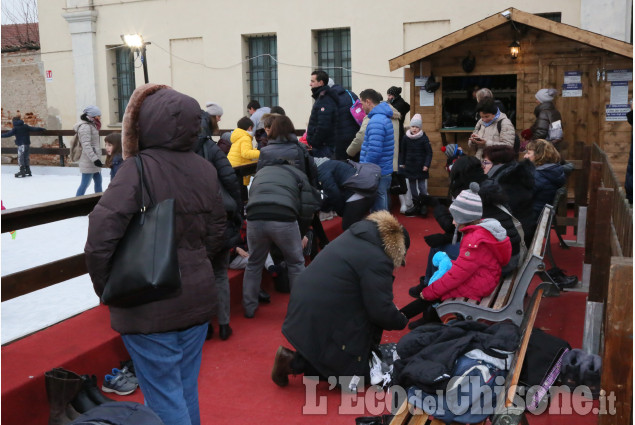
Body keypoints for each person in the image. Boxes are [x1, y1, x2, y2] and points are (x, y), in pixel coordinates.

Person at [84, 83, 227, 425]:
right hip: (195, 295)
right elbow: (217, 229)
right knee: (184, 387)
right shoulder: (203, 167)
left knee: (163, 394)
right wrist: (195, 263)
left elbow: (102, 233)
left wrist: (109, 288)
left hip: (148, 301)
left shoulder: (138, 168)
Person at [272, 211, 409, 389]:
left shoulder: (359, 236)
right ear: (397, 250)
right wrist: (401, 320)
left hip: (308, 300)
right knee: (353, 377)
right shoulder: (378, 258)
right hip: (321, 308)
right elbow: (380, 309)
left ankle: (297, 360)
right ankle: (292, 363)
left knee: (349, 343)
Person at [400, 183, 511, 327]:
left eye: (455, 218)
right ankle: (410, 315)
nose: (452, 222)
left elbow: (457, 276)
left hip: (481, 284)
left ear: (464, 219)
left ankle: (404, 317)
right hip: (487, 277)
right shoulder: (483, 229)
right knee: (439, 286)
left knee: (438, 292)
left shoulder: (474, 241)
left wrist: (429, 292)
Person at [242, 159, 317, 319]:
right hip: (283, 217)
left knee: (254, 262)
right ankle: (299, 310)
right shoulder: (298, 174)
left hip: (255, 216)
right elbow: (307, 207)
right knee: (296, 263)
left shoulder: (260, 173)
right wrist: (302, 232)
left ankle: (249, 307)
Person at [194, 108, 242, 342]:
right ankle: (223, 324)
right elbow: (230, 179)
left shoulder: (176, 152)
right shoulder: (212, 149)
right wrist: (237, 210)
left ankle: (204, 326)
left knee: (197, 277)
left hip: (191, 221)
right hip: (218, 216)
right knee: (220, 274)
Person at [482, 145, 535, 245]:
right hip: (517, 230)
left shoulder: (509, 183)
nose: (483, 166)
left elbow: (499, 212)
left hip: (513, 237)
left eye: (486, 162)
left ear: (499, 164)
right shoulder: (515, 176)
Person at [359, 89, 395, 212]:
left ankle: (382, 229)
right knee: (382, 199)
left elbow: (374, 150)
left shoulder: (376, 121)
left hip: (376, 170)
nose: (362, 107)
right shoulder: (381, 118)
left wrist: (365, 168)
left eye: (362, 103)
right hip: (382, 168)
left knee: (379, 206)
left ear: (368, 102)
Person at [315, 157, 376, 230]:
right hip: (367, 187)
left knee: (349, 228)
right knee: (357, 223)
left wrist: (341, 211)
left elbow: (334, 194)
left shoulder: (322, 171)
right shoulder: (330, 163)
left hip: (358, 193)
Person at [524, 139, 566, 222]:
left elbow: (522, 197)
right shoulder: (552, 170)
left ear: (540, 155)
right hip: (540, 213)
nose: (525, 156)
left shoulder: (539, 175)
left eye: (528, 153)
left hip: (531, 217)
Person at [399, 114, 432, 216]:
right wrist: (402, 163)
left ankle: (423, 205)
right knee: (412, 187)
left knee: (422, 187)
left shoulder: (424, 138)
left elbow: (429, 153)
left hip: (421, 167)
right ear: (410, 127)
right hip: (410, 166)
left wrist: (426, 165)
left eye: (417, 127)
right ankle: (416, 205)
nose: (414, 129)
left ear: (420, 128)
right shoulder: (405, 138)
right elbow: (402, 151)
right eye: (413, 126)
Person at [306, 70, 338, 158]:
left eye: (313, 81)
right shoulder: (322, 97)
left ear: (320, 83)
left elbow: (323, 125)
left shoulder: (324, 100)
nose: (310, 84)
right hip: (323, 146)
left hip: (323, 147)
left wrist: (314, 142)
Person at [2, 113, 45, 178]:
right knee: (26, 157)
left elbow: (8, 134)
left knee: (20, 158)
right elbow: (34, 129)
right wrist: (41, 129)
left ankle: (22, 171)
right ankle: (28, 170)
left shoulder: (15, 128)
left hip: (21, 145)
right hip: (27, 144)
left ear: (14, 122)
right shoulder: (25, 126)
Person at [75, 105, 104, 196]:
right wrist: (95, 159)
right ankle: (76, 202)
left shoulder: (92, 125)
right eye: (98, 115)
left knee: (99, 181)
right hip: (89, 160)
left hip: (94, 159)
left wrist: (96, 159)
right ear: (92, 116)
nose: (99, 117)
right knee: (85, 184)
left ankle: (99, 201)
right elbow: (86, 145)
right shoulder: (85, 127)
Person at [330, 82, 361, 160]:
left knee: (342, 165)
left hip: (338, 140)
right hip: (355, 137)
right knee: (355, 164)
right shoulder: (351, 94)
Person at [227, 116, 260, 187]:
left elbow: (241, 150)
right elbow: (246, 153)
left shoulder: (239, 136)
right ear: (250, 127)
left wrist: (256, 150)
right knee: (242, 194)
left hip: (232, 167)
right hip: (240, 170)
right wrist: (261, 153)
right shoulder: (245, 138)